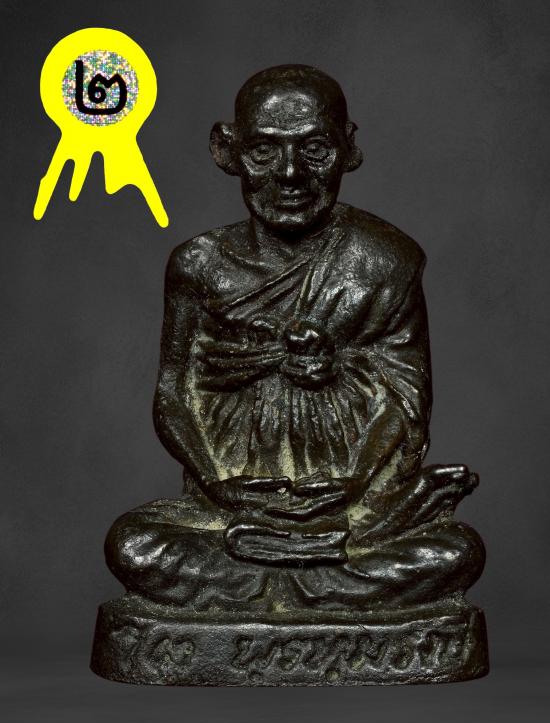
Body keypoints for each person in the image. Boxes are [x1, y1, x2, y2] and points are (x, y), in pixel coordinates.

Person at [105, 65, 484, 612]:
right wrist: (218, 485)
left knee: (455, 552)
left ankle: (272, 587)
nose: (289, 174)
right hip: (234, 510)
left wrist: (354, 481)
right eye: (264, 151)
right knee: (134, 545)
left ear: (348, 149)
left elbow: (407, 396)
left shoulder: (385, 261)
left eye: (315, 150)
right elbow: (173, 394)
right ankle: (316, 587)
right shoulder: (198, 265)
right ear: (227, 150)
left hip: (348, 509)